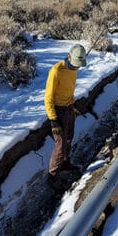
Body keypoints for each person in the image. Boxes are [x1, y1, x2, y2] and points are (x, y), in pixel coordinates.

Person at [45, 44, 87, 188]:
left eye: (78, 66)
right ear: (69, 57)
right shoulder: (56, 71)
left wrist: (72, 106)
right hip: (58, 112)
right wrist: (53, 120)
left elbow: (68, 89)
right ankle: (52, 177)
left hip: (69, 109)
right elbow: (48, 98)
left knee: (68, 139)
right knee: (60, 145)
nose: (76, 68)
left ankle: (64, 164)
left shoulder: (74, 68)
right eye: (75, 65)